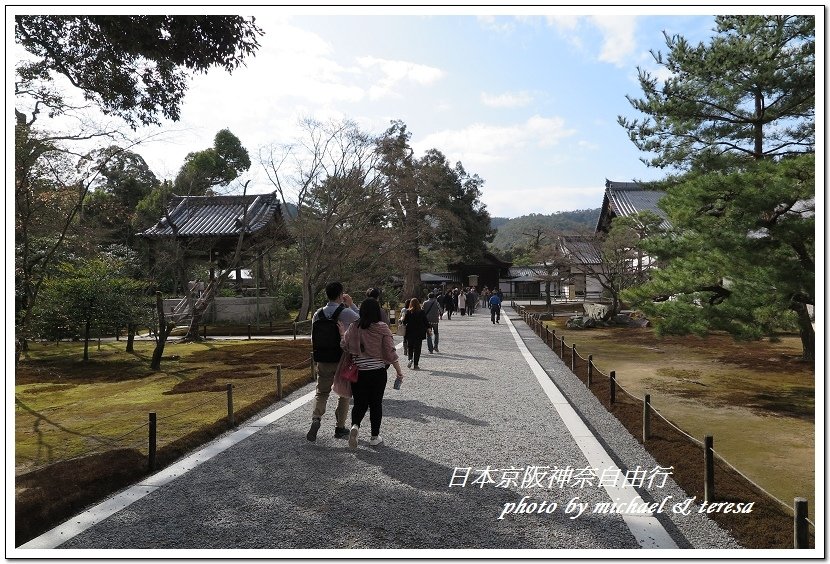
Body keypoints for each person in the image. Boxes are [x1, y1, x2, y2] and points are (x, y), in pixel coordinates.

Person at [341, 298, 404, 448]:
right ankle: (374, 437)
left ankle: (355, 426)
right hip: (377, 372)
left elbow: (344, 344)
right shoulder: (382, 327)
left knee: (359, 403)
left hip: (359, 372)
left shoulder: (354, 326)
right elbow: (390, 352)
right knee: (376, 404)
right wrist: (399, 372)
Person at [308, 281, 360, 441]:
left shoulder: (318, 314)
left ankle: (316, 418)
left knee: (322, 392)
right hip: (341, 359)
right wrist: (351, 305)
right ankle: (340, 427)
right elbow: (364, 323)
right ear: (340, 295)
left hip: (322, 358)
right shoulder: (346, 313)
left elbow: (313, 337)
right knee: (344, 394)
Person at [402, 297, 430, 369]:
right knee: (417, 348)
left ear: (411, 304)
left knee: (410, 347)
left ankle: (410, 359)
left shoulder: (408, 312)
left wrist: (403, 318)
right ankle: (416, 364)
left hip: (410, 332)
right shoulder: (422, 312)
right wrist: (429, 328)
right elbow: (426, 322)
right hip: (419, 333)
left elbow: (404, 322)